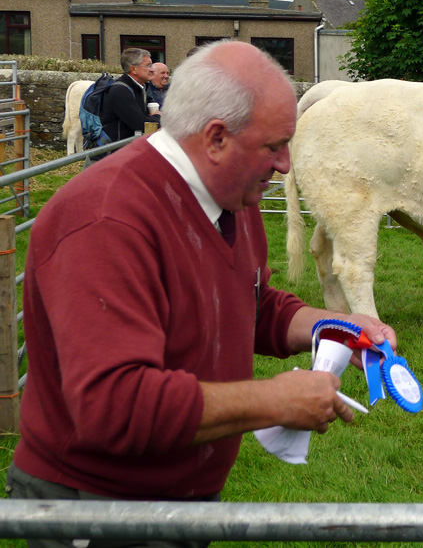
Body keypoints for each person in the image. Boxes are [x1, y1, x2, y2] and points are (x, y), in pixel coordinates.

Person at [7, 41, 397, 545]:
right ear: (216, 139)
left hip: (177, 503)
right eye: (274, 146)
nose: (284, 165)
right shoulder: (105, 220)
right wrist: (272, 400)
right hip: (93, 510)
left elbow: (249, 302)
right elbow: (114, 407)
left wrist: (333, 328)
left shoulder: (231, 194)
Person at [101, 47, 162, 143]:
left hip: (127, 151)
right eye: (148, 66)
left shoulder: (140, 88)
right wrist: (159, 117)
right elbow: (141, 125)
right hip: (114, 153)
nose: (152, 70)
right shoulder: (120, 91)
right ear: (133, 69)